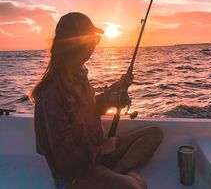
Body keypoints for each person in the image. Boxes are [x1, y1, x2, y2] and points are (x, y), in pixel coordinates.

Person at [31, 12, 163, 189]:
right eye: (94, 39)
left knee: (154, 134)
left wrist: (116, 89)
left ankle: (116, 173)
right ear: (81, 43)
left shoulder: (79, 75)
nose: (95, 44)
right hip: (74, 175)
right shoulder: (52, 93)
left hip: (96, 155)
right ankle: (125, 174)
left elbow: (90, 109)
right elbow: (65, 160)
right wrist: (101, 149)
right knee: (136, 187)